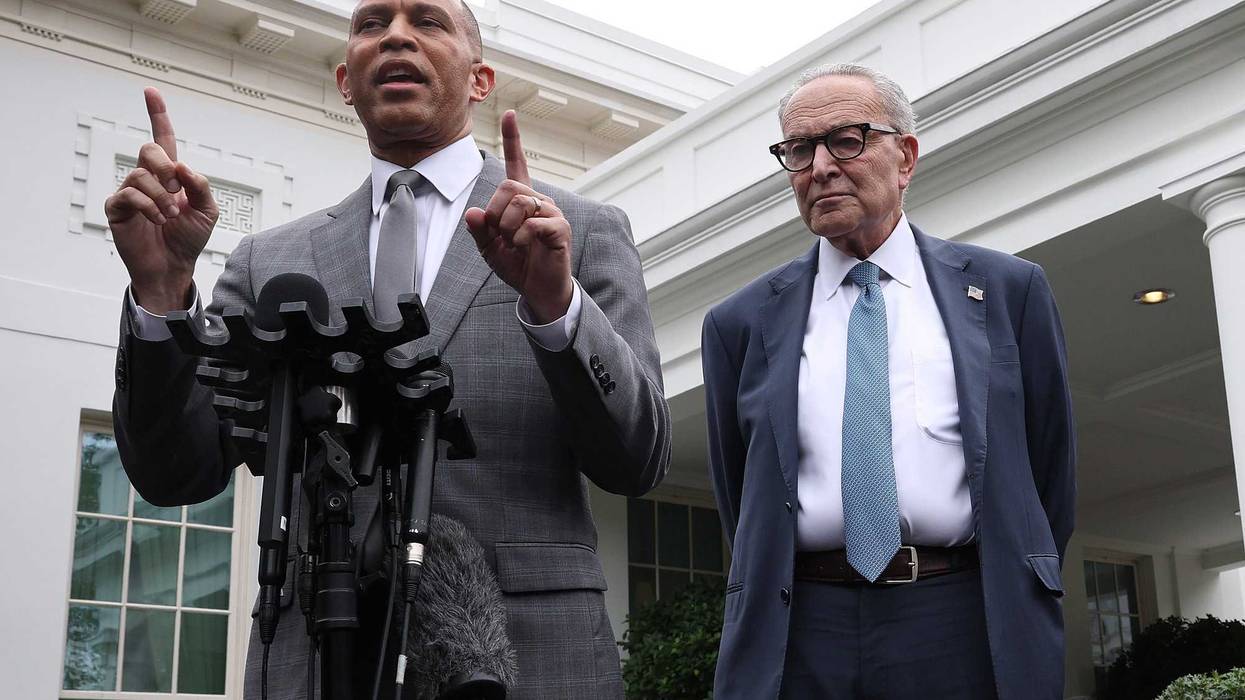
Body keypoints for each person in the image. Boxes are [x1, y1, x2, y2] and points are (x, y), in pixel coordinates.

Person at [106, 0, 671, 697]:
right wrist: (162, 294)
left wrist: (556, 310)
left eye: (428, 21)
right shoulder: (269, 261)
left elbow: (637, 459)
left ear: (480, 79)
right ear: (347, 79)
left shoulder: (576, 231)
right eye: (373, 23)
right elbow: (175, 474)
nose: (397, 34)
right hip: (314, 655)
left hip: (524, 657)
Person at [701, 63, 1075, 700]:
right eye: (799, 150)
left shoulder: (1010, 292)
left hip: (961, 615)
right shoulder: (739, 324)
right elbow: (741, 497)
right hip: (800, 627)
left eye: (847, 140)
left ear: (905, 157)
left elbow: (1049, 475)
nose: (820, 166)